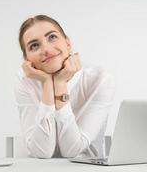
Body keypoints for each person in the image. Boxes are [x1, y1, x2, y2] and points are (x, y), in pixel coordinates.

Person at [14, 15, 115, 158]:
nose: (46, 49)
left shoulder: (100, 80)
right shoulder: (25, 81)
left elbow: (72, 150)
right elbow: (42, 152)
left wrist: (60, 84)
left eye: (52, 37)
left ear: (67, 42)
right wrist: (47, 83)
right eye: (34, 45)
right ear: (27, 59)